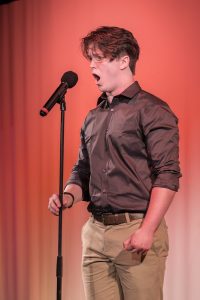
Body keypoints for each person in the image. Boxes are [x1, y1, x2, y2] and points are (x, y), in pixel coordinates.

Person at [48, 26, 181, 300]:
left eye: (99, 58)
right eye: (90, 60)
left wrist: (147, 230)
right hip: (96, 233)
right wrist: (67, 197)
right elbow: (82, 171)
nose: (91, 66)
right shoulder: (92, 117)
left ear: (123, 61)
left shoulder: (152, 110)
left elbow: (167, 174)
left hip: (135, 228)